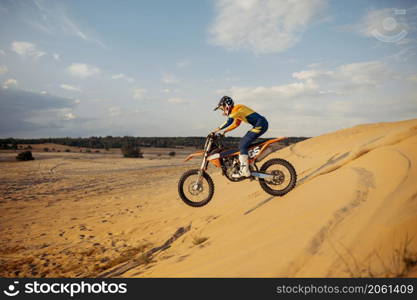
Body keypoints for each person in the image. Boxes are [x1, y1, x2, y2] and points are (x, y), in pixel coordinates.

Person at [213, 96, 268, 178]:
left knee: (243, 144)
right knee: (244, 143)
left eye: (223, 108)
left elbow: (229, 121)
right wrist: (225, 131)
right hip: (260, 124)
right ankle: (250, 164)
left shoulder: (237, 109)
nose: (223, 111)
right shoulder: (237, 111)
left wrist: (218, 129)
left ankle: (244, 171)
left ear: (227, 105)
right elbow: (236, 124)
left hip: (260, 124)